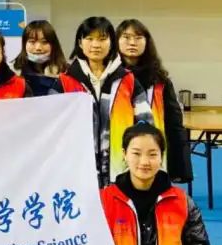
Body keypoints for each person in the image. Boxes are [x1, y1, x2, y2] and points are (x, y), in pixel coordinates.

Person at [58, 16, 153, 187]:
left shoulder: (128, 80)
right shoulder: (64, 82)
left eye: (102, 39)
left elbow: (145, 123)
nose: (96, 45)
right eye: (89, 39)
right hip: (77, 168)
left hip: (121, 168)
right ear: (80, 43)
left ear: (111, 43)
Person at [117, 19, 193, 182]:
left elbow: (174, 123)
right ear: (116, 41)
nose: (132, 43)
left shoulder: (160, 81)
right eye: (126, 37)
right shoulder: (110, 79)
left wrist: (181, 166)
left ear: (147, 42)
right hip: (116, 153)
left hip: (151, 150)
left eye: (138, 37)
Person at [11, 19, 67, 97]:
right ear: (24, 44)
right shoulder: (12, 71)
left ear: (53, 44)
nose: (38, 48)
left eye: (44, 42)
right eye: (32, 42)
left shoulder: (66, 71)